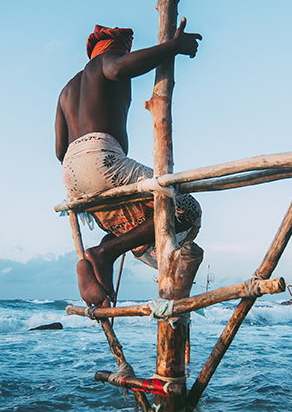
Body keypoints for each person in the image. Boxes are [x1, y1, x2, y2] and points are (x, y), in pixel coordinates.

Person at [56, 19, 202, 308]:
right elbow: (118, 68)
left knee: (133, 216)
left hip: (71, 173)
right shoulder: (105, 62)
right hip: (102, 158)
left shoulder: (67, 90)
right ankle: (106, 252)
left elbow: (60, 149)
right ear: (114, 49)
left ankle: (104, 281)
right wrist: (172, 47)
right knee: (188, 208)